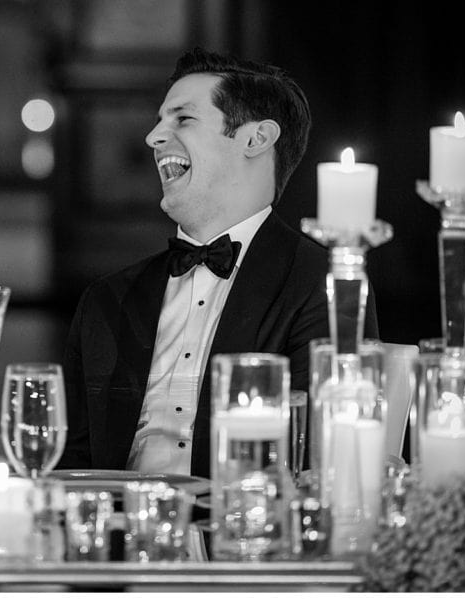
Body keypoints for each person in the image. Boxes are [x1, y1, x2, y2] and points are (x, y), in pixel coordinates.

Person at [58, 48, 378, 477]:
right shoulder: (106, 299)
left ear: (255, 139)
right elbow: (68, 465)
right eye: (159, 121)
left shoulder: (323, 285)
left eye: (182, 119)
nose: (154, 137)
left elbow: (325, 461)